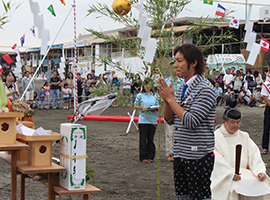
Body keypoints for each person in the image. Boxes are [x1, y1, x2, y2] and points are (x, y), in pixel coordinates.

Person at [157, 44, 216, 199]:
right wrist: (166, 100)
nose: (175, 65)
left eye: (179, 61)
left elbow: (191, 121)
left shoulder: (205, 89)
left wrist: (171, 99)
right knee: (182, 197)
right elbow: (170, 120)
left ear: (194, 62)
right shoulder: (181, 87)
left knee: (199, 197)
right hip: (180, 153)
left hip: (198, 156)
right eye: (174, 61)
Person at [211, 105, 270, 199]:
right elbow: (216, 160)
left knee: (262, 184)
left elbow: (254, 154)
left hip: (245, 172)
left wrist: (259, 171)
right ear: (224, 122)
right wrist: (229, 174)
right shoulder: (215, 137)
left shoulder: (244, 136)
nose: (235, 126)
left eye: (238, 123)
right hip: (225, 175)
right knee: (234, 186)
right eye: (232, 123)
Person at [134, 78, 159, 163]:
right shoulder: (140, 95)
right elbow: (135, 106)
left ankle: (151, 156)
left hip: (152, 120)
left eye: (150, 85)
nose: (148, 86)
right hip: (143, 119)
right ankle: (143, 156)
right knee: (143, 139)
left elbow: (158, 106)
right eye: (146, 85)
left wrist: (155, 108)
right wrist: (142, 107)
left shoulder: (155, 95)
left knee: (150, 139)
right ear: (143, 86)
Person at [164, 73, 183, 161]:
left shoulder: (182, 82)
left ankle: (178, 152)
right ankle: (169, 153)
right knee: (169, 133)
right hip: (170, 108)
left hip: (180, 108)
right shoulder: (167, 81)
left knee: (178, 132)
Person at [261, 78, 270, 155]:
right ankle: (265, 147)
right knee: (266, 128)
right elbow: (265, 97)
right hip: (269, 108)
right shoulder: (266, 84)